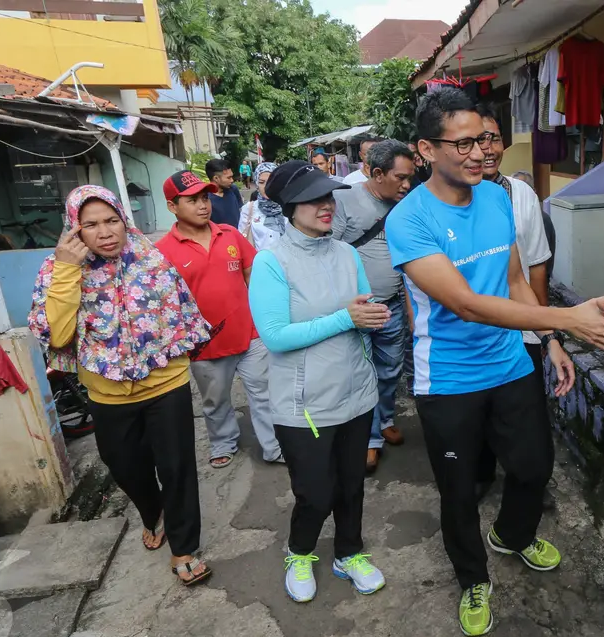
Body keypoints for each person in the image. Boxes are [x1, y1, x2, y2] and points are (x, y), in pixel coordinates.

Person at [386, 87, 604, 637]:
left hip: (510, 364)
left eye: (486, 140)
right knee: (458, 490)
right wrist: (571, 320)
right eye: (464, 143)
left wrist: (550, 342)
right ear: (426, 148)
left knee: (533, 467)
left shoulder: (498, 197)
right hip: (446, 377)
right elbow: (467, 304)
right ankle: (473, 577)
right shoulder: (410, 220)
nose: (479, 153)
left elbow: (517, 281)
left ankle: (513, 536)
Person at [29, 185, 212, 586]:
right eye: (90, 224)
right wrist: (66, 270)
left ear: (124, 221)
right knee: (123, 465)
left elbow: (183, 314)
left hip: (166, 384)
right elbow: (58, 337)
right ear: (74, 229)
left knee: (177, 467)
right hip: (106, 392)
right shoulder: (55, 269)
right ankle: (154, 512)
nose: (105, 232)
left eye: (112, 221)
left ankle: (183, 547)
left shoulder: (151, 260)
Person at [248, 160, 391, 603]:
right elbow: (276, 337)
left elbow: (361, 307)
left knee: (351, 484)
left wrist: (370, 318)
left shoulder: (346, 253)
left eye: (328, 197)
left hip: (356, 392)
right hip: (304, 403)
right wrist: (344, 318)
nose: (326, 206)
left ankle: (348, 552)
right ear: (289, 206)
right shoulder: (271, 263)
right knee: (315, 491)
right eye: (313, 199)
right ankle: (300, 551)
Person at [156, 170, 282, 470]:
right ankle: (223, 442)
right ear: (173, 206)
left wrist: (266, 318)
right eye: (192, 200)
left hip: (249, 334)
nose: (203, 205)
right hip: (205, 345)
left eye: (205, 198)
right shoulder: (162, 252)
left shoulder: (230, 234)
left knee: (265, 394)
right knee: (215, 402)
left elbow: (253, 275)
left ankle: (274, 446)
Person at [472, 105, 556, 510]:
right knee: (481, 411)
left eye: (492, 138)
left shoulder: (522, 193)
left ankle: (528, 482)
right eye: (475, 140)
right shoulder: (452, 199)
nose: (486, 149)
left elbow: (535, 266)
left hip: (521, 321)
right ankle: (481, 473)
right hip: (476, 327)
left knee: (526, 412)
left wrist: (542, 327)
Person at [331, 140, 416, 473]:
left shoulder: (406, 206)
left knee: (390, 370)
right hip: (359, 311)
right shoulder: (344, 202)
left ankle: (385, 420)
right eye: (401, 178)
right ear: (377, 173)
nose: (407, 184)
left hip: (393, 306)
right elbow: (329, 254)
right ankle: (369, 439)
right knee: (362, 374)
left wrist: (408, 304)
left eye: (411, 176)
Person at [238, 162, 287, 251]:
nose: (266, 186)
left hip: (287, 262)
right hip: (260, 262)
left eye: (270, 181)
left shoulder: (288, 205)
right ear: (257, 183)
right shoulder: (249, 209)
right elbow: (242, 241)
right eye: (261, 182)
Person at [205, 158, 243, 228]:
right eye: (228, 178)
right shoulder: (205, 198)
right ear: (216, 178)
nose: (232, 180)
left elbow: (241, 210)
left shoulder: (233, 189)